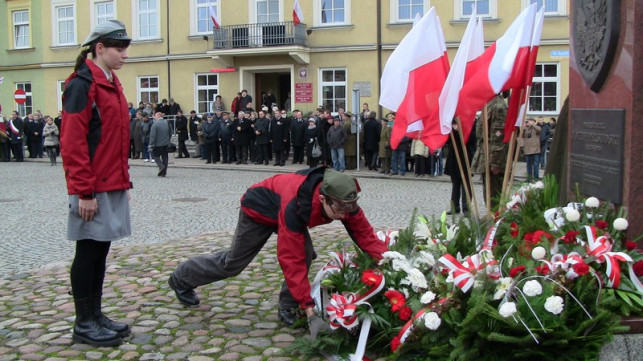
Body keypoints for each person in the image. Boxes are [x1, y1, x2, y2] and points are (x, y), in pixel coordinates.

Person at [167, 167, 388, 335]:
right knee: (232, 264)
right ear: (322, 198)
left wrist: (387, 260)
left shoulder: (343, 200)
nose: (343, 215)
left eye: (347, 209)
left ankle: (288, 307)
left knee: (307, 253)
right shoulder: (297, 205)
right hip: (259, 210)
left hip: (285, 208)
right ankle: (181, 278)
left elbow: (365, 235)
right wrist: (309, 306)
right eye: (338, 210)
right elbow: (291, 259)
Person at [60, 19, 132, 347]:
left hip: (110, 181)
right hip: (92, 187)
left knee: (100, 252)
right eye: (119, 48)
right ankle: (84, 322)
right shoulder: (81, 84)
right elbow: (73, 143)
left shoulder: (110, 81)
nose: (124, 55)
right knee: (87, 252)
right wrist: (84, 192)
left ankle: (96, 315)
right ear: (99, 48)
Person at [471, 92, 509, 210]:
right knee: (488, 193)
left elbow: (498, 137)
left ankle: (496, 221)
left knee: (495, 196)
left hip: (493, 159)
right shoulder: (489, 104)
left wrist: (495, 163)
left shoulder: (499, 106)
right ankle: (491, 218)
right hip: (485, 155)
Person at [444, 119, 476, 215]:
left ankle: (466, 208)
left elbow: (473, 139)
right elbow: (447, 140)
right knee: (455, 184)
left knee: (466, 184)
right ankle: (454, 207)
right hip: (454, 158)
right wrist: (453, 130)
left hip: (466, 157)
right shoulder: (451, 121)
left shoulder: (470, 122)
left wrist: (460, 130)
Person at [149, 111, 171, 176]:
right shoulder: (167, 122)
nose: (154, 117)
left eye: (155, 116)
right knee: (165, 157)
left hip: (157, 144)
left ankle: (161, 166)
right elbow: (170, 132)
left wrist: (151, 144)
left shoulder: (155, 124)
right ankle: (164, 172)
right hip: (166, 143)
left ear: (158, 116)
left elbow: (153, 135)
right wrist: (168, 140)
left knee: (155, 155)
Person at [522, 118, 541, 182]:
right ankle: (529, 178)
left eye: (531, 121)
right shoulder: (526, 129)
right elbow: (521, 133)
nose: (529, 122)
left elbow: (539, 130)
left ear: (534, 122)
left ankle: (536, 178)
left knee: (536, 165)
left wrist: (532, 125)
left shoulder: (537, 128)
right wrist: (523, 126)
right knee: (528, 165)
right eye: (528, 121)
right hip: (527, 150)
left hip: (535, 150)